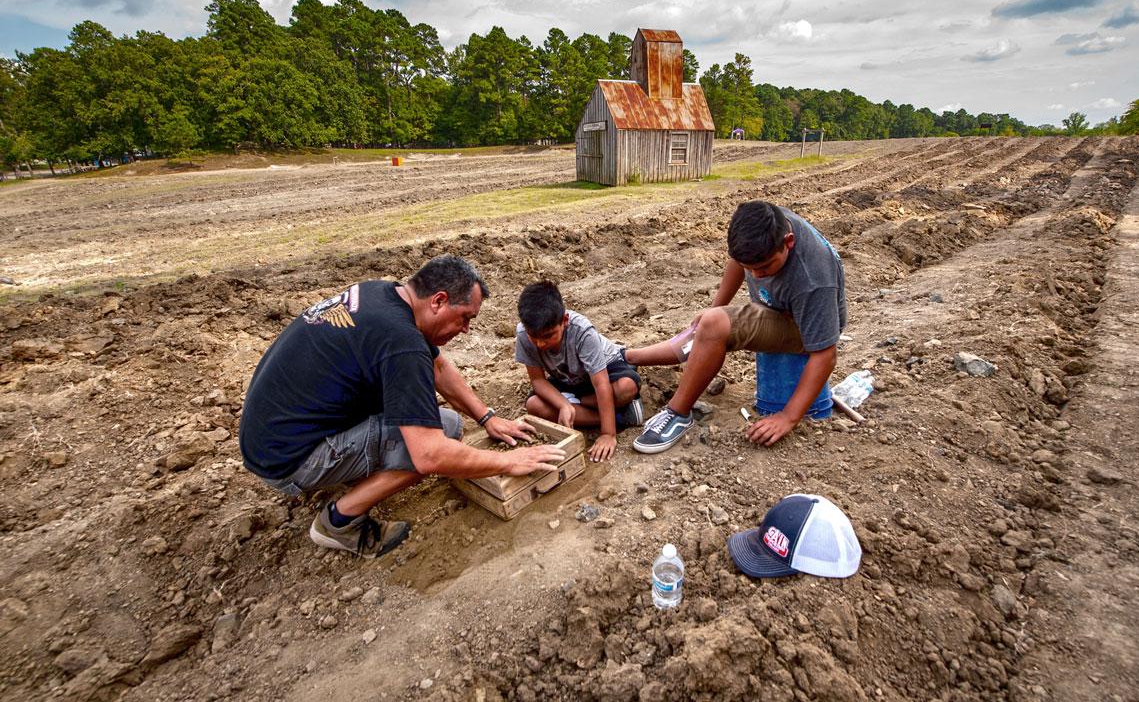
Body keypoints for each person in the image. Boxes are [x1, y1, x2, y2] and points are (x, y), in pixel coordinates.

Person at [239, 256, 565, 558]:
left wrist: (487, 417)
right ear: (438, 301)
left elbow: (438, 369)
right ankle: (339, 521)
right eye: (465, 318)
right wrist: (508, 462)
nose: (466, 329)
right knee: (446, 431)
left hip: (270, 440)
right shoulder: (402, 343)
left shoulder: (382, 295)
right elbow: (430, 455)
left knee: (424, 418)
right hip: (291, 461)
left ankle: (351, 469)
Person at [626, 200, 846, 453]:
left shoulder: (813, 282)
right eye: (749, 268)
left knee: (713, 326)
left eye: (764, 267)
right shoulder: (763, 226)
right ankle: (627, 356)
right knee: (706, 325)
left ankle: (678, 413)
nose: (757, 275)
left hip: (803, 327)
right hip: (778, 307)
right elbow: (738, 262)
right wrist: (715, 306)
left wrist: (788, 417)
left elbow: (825, 354)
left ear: (789, 242)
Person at [515, 280, 644, 462]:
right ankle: (620, 416)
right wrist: (563, 405)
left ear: (565, 321)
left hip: (605, 370)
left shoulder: (582, 331)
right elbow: (537, 381)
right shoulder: (523, 335)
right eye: (534, 337)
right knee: (534, 405)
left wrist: (608, 434)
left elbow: (600, 383)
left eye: (548, 336)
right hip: (568, 380)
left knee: (626, 387)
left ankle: (594, 411)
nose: (540, 344)